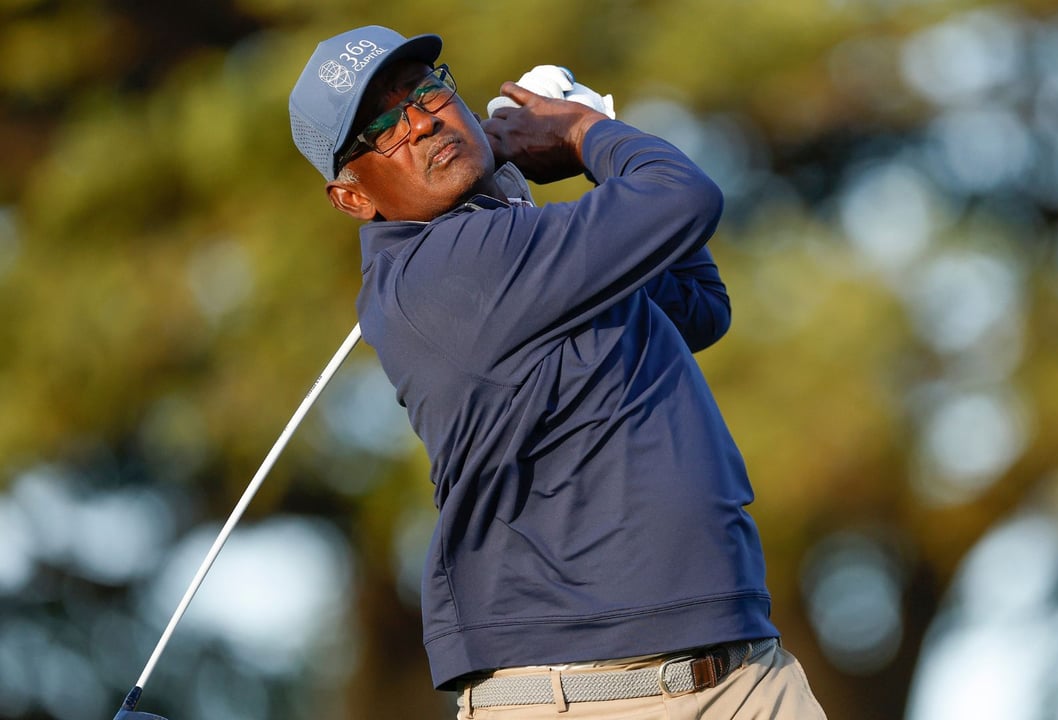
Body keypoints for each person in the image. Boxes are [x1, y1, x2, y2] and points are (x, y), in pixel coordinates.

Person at [289, 25, 827, 719]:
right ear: (354, 198)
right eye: (382, 128)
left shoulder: (518, 243)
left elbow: (698, 309)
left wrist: (581, 152)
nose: (421, 121)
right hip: (581, 697)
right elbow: (683, 197)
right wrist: (585, 130)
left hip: (745, 675)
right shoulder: (446, 270)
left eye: (424, 90)